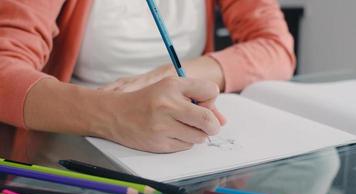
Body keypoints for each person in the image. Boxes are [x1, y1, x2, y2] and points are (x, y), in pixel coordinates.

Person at [0, 0, 295, 154]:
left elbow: (277, 48)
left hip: (179, 137)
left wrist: (168, 76)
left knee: (316, 167)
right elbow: (5, 67)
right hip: (76, 133)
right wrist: (113, 115)